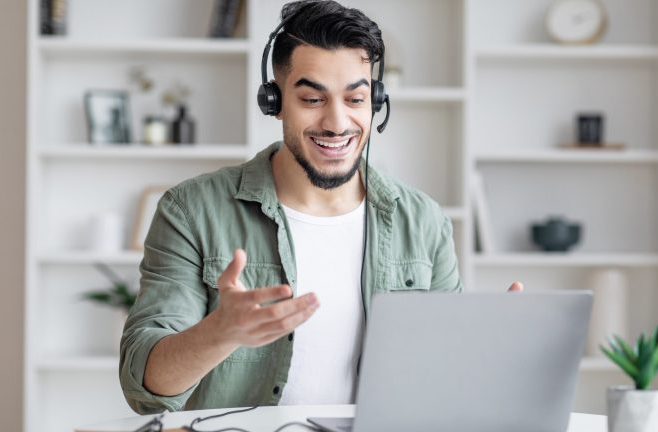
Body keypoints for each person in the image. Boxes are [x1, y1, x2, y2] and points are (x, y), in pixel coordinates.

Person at [119, 0, 522, 414]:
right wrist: (220, 333)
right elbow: (146, 389)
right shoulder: (191, 210)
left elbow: (442, 384)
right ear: (274, 102)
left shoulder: (423, 221)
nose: (337, 123)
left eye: (355, 99)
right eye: (312, 99)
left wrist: (484, 353)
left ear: (376, 101)